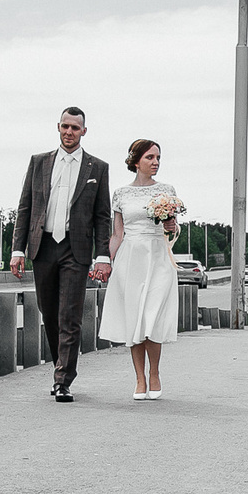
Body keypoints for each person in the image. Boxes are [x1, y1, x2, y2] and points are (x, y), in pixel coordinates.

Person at [9, 106, 112, 402]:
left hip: (75, 249)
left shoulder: (97, 168)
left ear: (84, 131)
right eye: (65, 127)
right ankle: (60, 365)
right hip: (42, 248)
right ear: (58, 127)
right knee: (50, 313)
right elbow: (25, 208)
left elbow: (102, 217)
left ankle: (62, 380)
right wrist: (18, 250)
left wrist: (102, 255)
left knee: (70, 316)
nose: (69, 132)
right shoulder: (39, 162)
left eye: (75, 128)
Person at [98, 139, 183, 399]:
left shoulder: (166, 190)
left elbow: (173, 227)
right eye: (150, 157)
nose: (155, 162)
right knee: (134, 319)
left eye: (158, 157)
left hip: (158, 257)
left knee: (152, 316)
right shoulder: (121, 194)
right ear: (136, 161)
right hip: (130, 258)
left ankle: (155, 373)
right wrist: (105, 262)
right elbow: (117, 233)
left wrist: (171, 226)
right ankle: (139, 379)